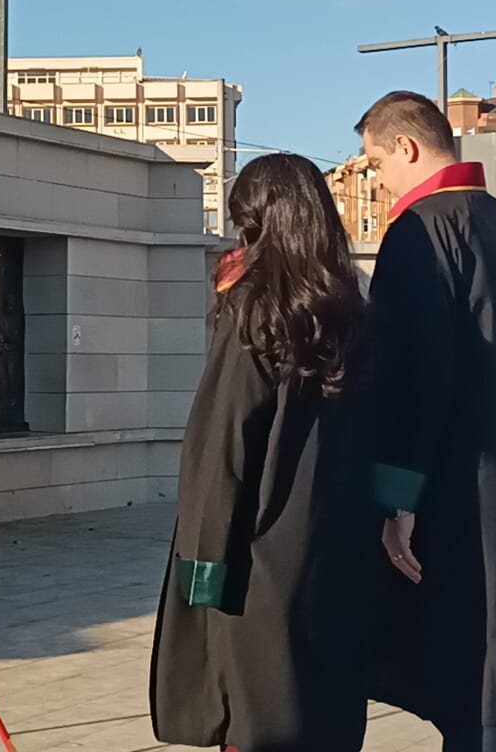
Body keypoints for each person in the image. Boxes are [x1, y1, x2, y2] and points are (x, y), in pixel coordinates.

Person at [150, 153, 371, 752]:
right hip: (336, 554)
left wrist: (202, 563)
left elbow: (223, 438)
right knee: (327, 721)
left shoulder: (256, 306)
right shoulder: (353, 309)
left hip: (260, 561)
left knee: (258, 723)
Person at [356, 91, 496, 752]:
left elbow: (413, 376)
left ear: (407, 148)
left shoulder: (421, 230)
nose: (377, 181)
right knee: (495, 696)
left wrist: (396, 498)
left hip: (454, 496)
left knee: (463, 682)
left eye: (376, 163)